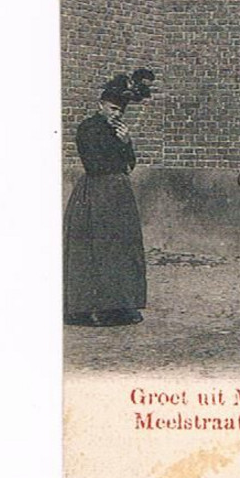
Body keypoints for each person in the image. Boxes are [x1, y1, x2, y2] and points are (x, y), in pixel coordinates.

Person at [64, 70, 155, 327]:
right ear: (100, 105)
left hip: (119, 194)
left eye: (120, 110)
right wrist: (118, 149)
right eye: (113, 108)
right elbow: (96, 165)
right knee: (97, 248)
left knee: (121, 248)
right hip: (97, 194)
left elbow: (130, 164)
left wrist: (126, 143)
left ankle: (120, 305)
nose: (116, 114)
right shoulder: (89, 128)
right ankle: (87, 307)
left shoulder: (118, 130)